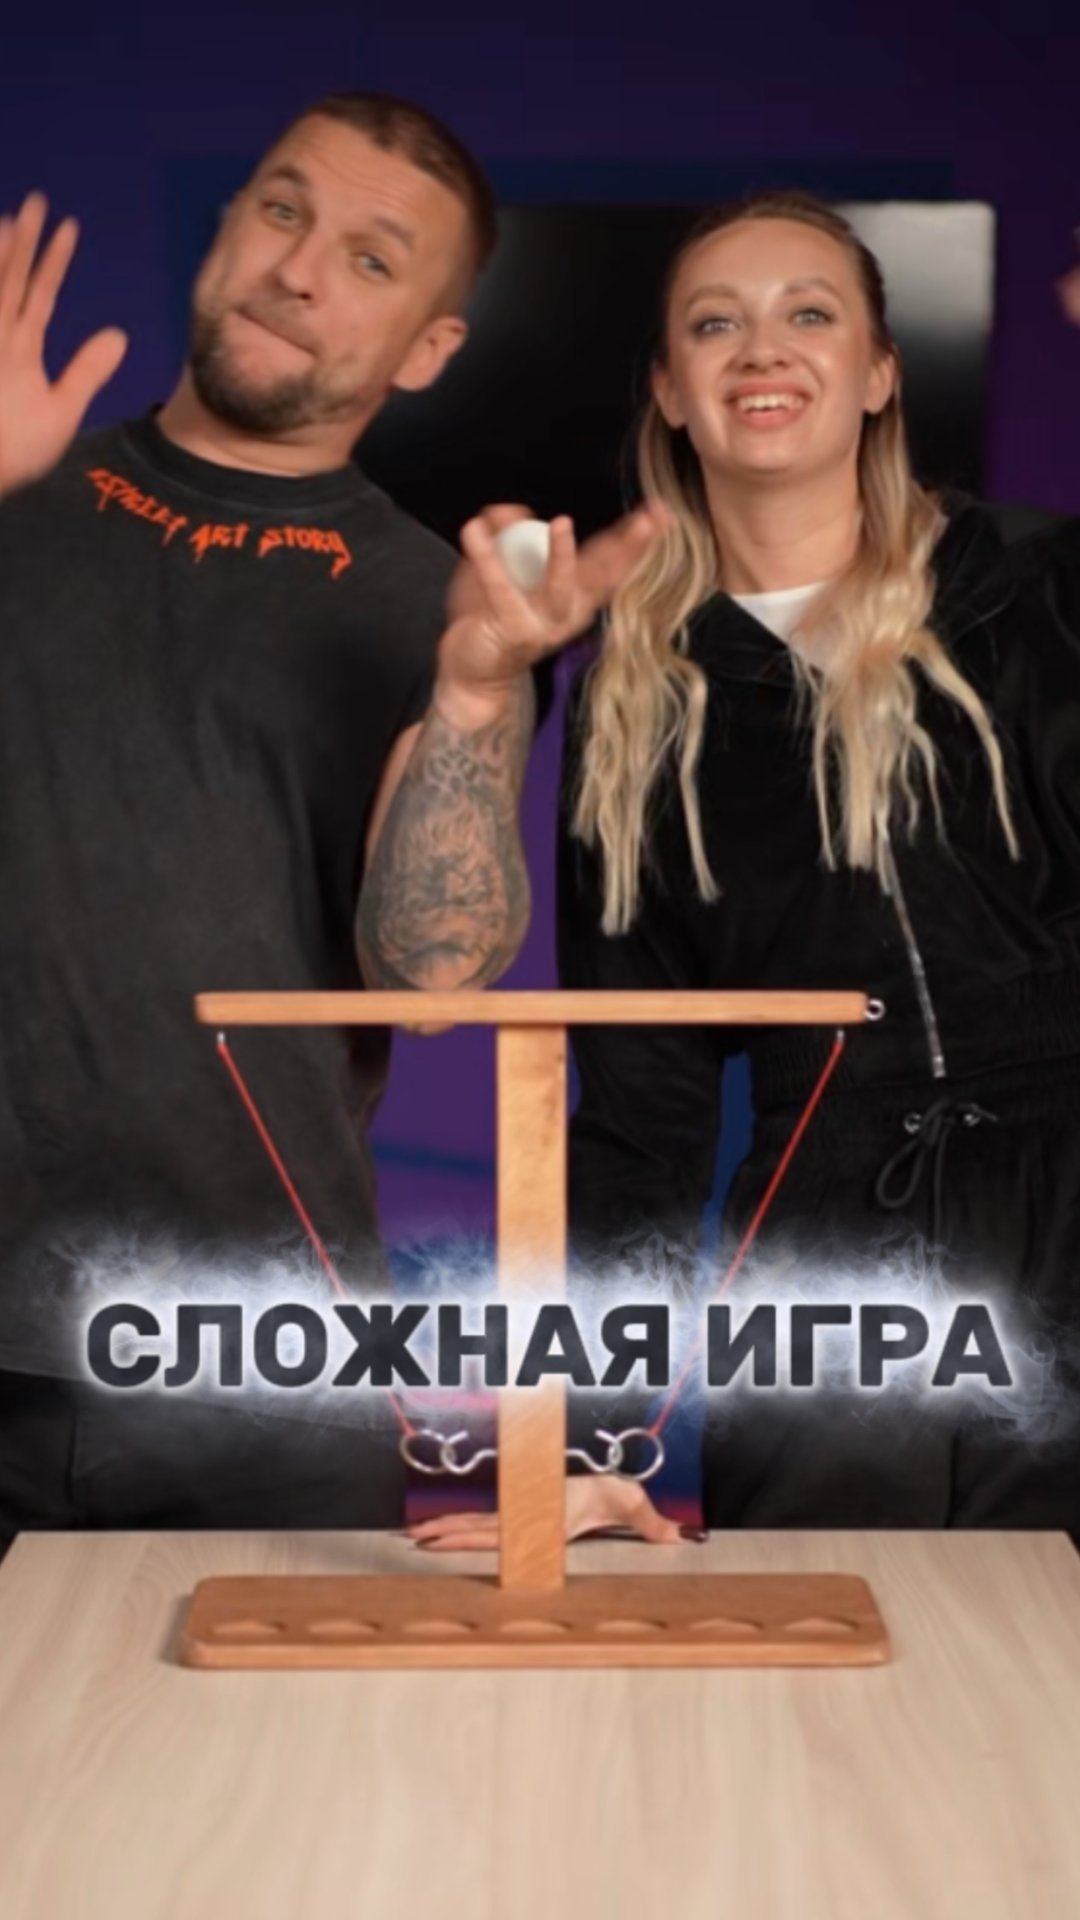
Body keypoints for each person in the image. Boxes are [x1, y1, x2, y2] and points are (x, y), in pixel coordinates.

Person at [0, 91, 659, 1549]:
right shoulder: (15, 486)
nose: (299, 269)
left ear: (427, 348)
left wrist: (479, 692)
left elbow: (433, 978)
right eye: (283, 212)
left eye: (371, 259)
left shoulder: (437, 610)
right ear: (227, 229)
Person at [409, 193, 1080, 1554]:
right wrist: (596, 1445)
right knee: (840, 1663)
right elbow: (640, 1118)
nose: (761, 348)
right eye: (715, 325)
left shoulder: (1047, 588)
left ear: (879, 373)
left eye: (808, 314)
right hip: (825, 1276)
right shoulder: (633, 708)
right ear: (671, 391)